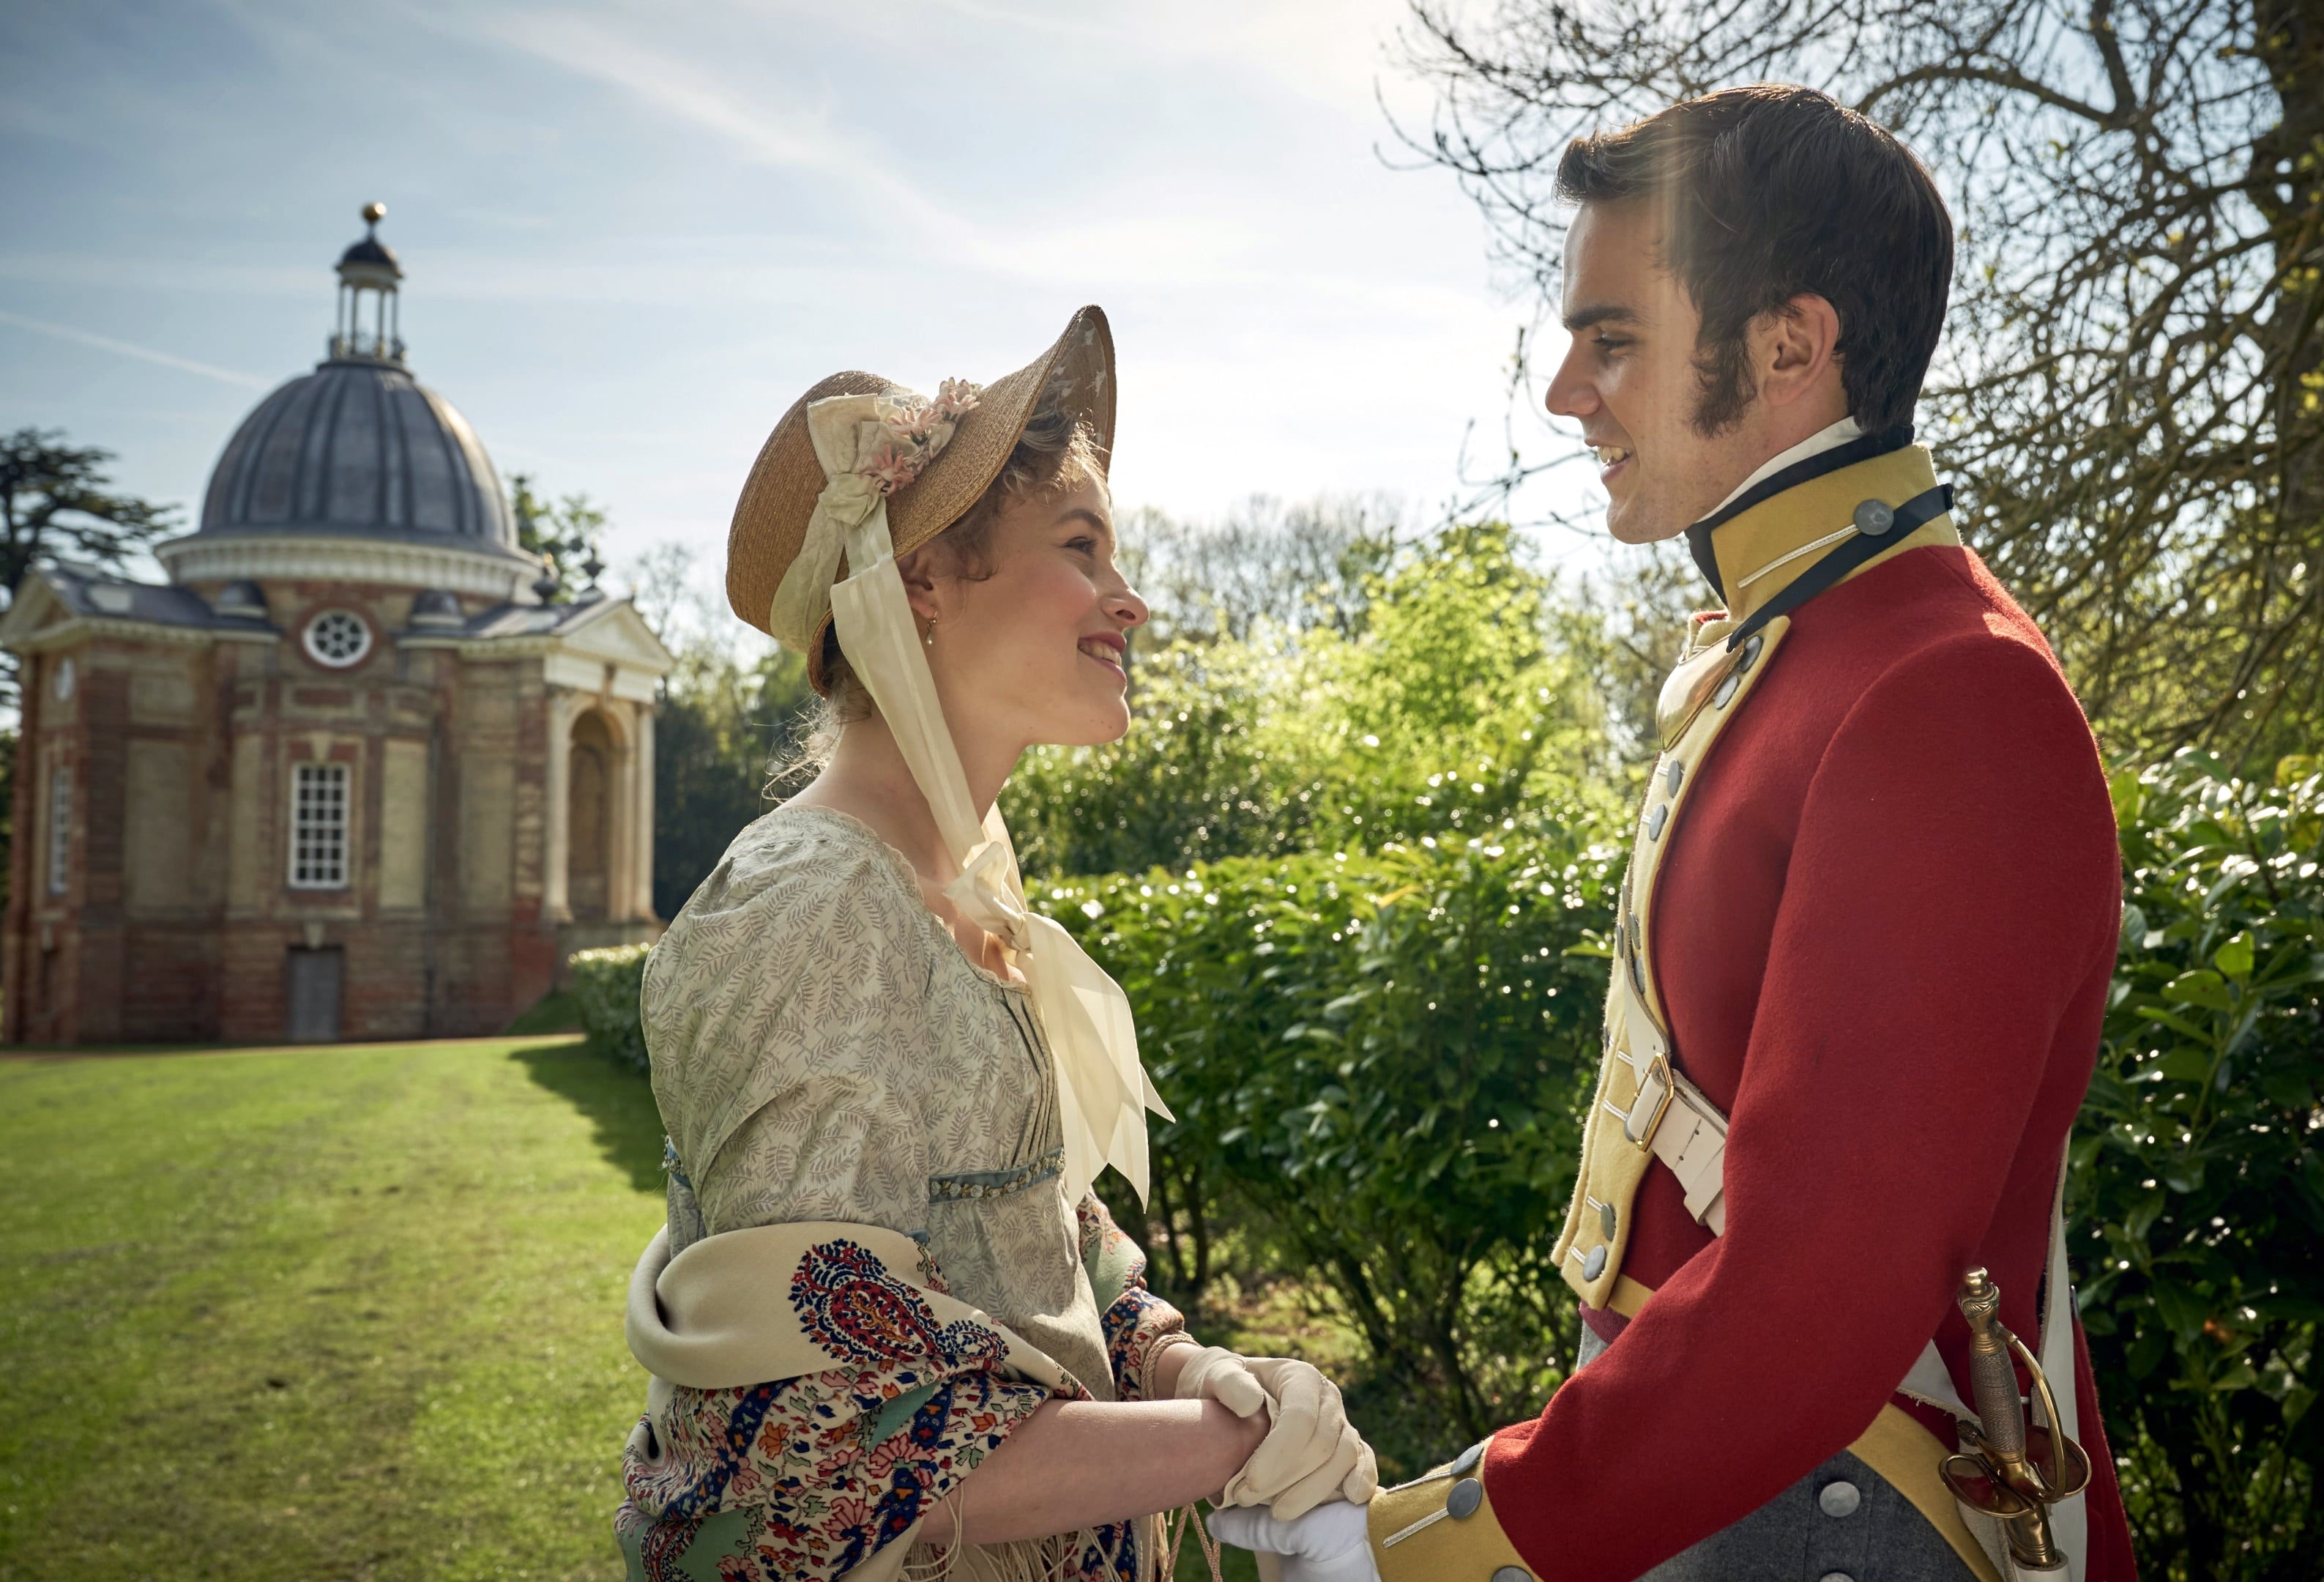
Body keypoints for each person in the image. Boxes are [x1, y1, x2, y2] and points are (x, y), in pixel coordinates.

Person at [1218, 85, 2138, 1582]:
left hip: (1834, 1508)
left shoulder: (1947, 691)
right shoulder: (1816, 646)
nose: (1564, 393)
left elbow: (1818, 1300)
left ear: (1789, 347)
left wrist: (1438, 1548)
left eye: (1614, 339)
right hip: (1711, 1479)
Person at [614, 307, 1376, 1582]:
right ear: (921, 583)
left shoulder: (952, 893)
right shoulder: (813, 909)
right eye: (1082, 547)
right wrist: (1231, 1446)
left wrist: (1182, 1363)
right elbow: (821, 1446)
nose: (1131, 599)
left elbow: (1027, 1236)